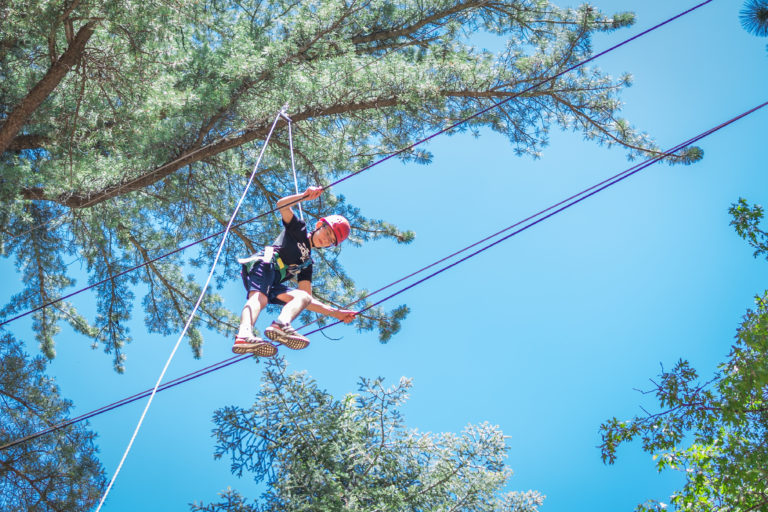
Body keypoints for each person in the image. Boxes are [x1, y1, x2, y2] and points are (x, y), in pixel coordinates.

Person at [233, 186, 358, 356]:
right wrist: (304, 197)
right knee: (259, 298)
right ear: (319, 225)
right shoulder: (299, 229)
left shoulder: (307, 263)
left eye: (330, 240)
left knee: (304, 296)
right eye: (327, 232)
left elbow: (306, 300)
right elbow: (281, 206)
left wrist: (336, 313)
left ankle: (281, 325)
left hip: (273, 283)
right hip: (266, 263)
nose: (325, 239)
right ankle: (244, 333)